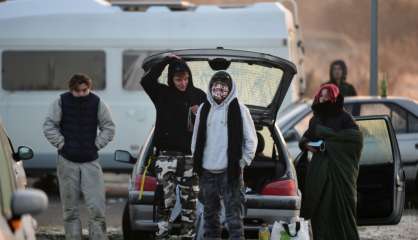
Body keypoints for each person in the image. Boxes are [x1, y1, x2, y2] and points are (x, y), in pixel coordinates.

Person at [140, 54, 206, 239]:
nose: (183, 83)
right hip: (165, 158)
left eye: (186, 79)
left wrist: (198, 112)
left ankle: (188, 237)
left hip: (190, 159)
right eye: (178, 79)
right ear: (171, 78)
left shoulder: (199, 95)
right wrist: (165, 61)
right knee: (165, 204)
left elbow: (210, 125)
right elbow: (146, 81)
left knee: (189, 207)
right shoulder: (161, 93)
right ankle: (162, 236)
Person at [43, 74, 115, 240]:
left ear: (89, 88)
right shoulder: (61, 101)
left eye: (85, 90)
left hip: (91, 161)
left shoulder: (97, 102)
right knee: (70, 210)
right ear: (71, 89)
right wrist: (62, 144)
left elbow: (109, 127)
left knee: (97, 208)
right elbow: (49, 126)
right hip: (67, 161)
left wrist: (97, 145)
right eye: (78, 91)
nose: (82, 94)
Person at [192, 71, 257, 240]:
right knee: (210, 219)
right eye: (216, 88)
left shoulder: (240, 110)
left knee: (234, 220)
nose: (219, 92)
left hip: (230, 173)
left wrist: (242, 162)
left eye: (223, 89)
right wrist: (196, 161)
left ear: (230, 89)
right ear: (210, 88)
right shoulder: (203, 109)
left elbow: (251, 140)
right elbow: (196, 138)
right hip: (207, 173)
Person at [299, 83, 363, 240]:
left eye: (327, 96)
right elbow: (305, 138)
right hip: (320, 176)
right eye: (322, 95)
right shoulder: (315, 119)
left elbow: (355, 140)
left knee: (342, 214)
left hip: (341, 176)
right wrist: (307, 144)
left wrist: (329, 144)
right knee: (321, 215)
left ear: (334, 97)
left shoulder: (345, 118)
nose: (324, 98)